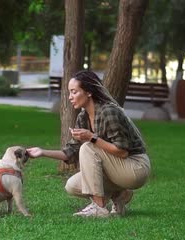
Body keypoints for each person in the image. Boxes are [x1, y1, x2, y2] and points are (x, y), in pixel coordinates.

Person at [27, 70, 151, 217]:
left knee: (88, 147)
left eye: (74, 92)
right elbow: (70, 152)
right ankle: (120, 195)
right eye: (69, 92)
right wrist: (42, 152)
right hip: (117, 169)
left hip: (135, 167)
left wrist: (92, 138)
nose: (70, 97)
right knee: (72, 186)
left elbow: (122, 151)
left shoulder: (108, 111)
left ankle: (98, 207)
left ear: (89, 92)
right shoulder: (83, 116)